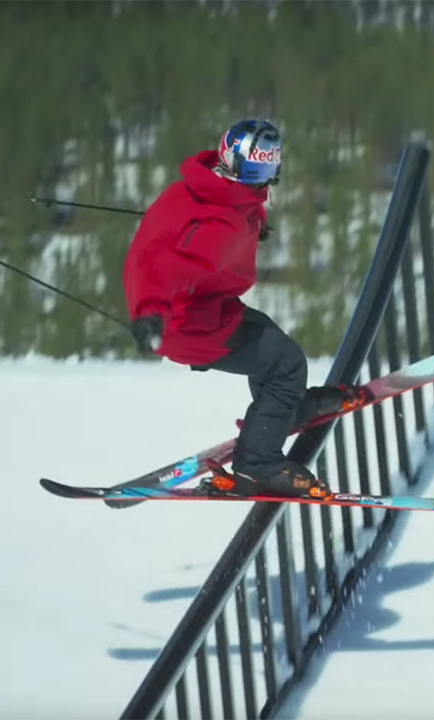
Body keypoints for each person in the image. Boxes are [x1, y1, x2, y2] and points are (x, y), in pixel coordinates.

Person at [122, 118, 366, 499]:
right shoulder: (221, 226)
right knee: (285, 364)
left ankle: (283, 409)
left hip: (202, 309)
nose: (261, 182)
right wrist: (150, 312)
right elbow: (164, 267)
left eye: (267, 170)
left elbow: (231, 202)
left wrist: (255, 222)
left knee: (268, 341)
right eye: (255, 171)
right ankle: (258, 462)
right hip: (184, 324)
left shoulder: (205, 188)